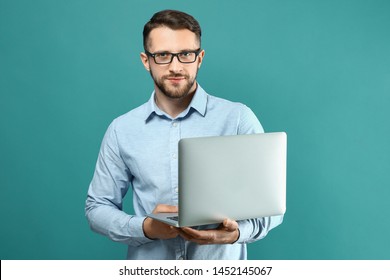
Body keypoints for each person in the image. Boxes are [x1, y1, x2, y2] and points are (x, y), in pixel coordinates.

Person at [85, 9, 283, 260]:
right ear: (146, 60)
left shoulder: (237, 119)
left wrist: (234, 234)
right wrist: (145, 228)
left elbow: (272, 208)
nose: (175, 66)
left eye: (186, 54)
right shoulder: (121, 129)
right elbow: (97, 207)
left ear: (199, 58)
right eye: (163, 55)